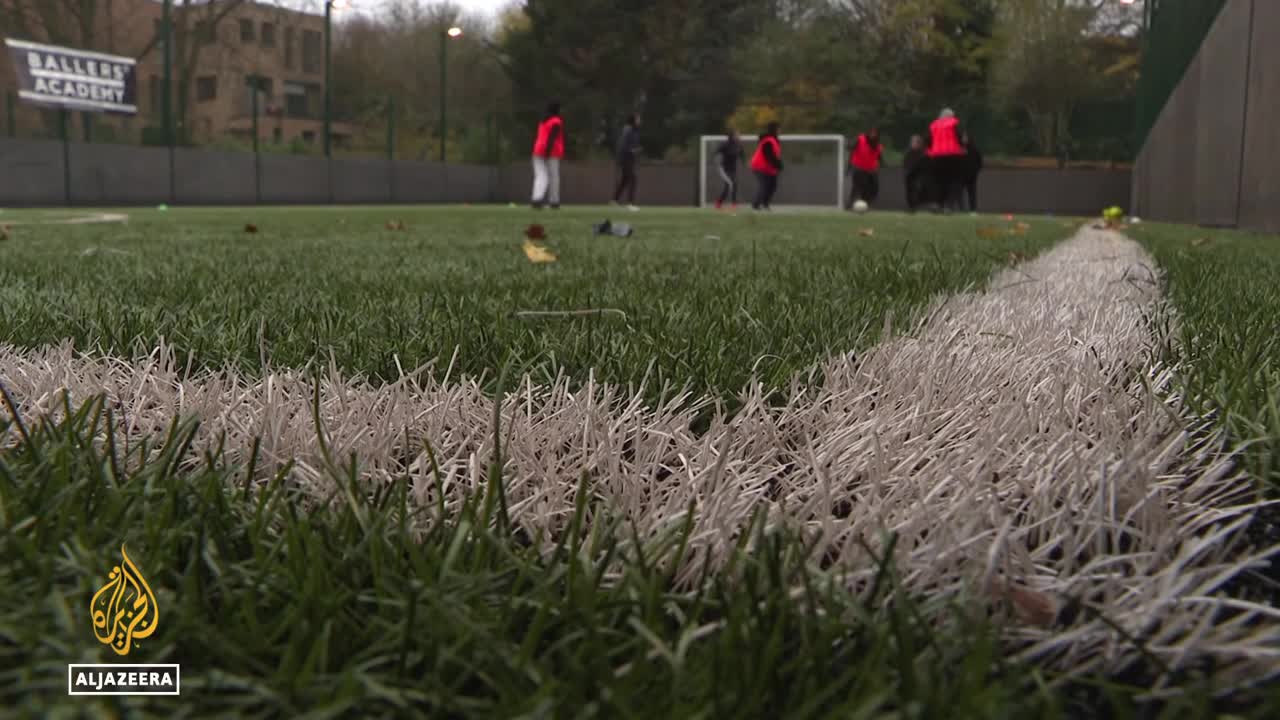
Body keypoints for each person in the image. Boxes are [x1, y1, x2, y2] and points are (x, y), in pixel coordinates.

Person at [925, 108, 966, 213]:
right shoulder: (954, 123)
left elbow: (928, 140)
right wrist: (962, 147)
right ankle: (949, 205)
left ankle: (937, 203)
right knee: (953, 181)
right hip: (952, 155)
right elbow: (959, 137)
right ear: (951, 116)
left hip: (937, 156)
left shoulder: (934, 125)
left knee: (938, 181)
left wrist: (930, 150)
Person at [531, 101, 564, 210]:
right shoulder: (556, 121)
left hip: (537, 150)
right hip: (551, 152)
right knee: (553, 177)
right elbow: (551, 138)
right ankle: (554, 201)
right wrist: (547, 152)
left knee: (540, 175)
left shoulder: (543, 120)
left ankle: (536, 198)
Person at [847, 127, 883, 210]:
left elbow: (879, 157)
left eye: (875, 133)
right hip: (858, 167)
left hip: (871, 169)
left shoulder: (878, 145)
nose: (873, 135)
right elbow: (852, 147)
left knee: (874, 188)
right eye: (871, 133)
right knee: (858, 187)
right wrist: (850, 145)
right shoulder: (860, 139)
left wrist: (883, 164)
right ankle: (850, 204)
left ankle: (865, 203)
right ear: (868, 133)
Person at [750, 122, 783, 211]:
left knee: (772, 185)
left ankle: (765, 203)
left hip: (769, 167)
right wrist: (777, 164)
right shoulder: (768, 140)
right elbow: (769, 155)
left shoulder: (775, 140)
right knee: (764, 185)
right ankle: (756, 205)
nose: (780, 131)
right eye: (779, 129)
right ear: (774, 130)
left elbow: (775, 155)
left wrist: (778, 164)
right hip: (759, 166)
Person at [612, 113, 641, 211]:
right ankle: (630, 204)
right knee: (633, 179)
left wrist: (635, 150)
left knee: (625, 180)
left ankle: (614, 200)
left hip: (629, 158)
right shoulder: (628, 130)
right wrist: (631, 150)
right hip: (625, 158)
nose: (639, 121)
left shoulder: (634, 130)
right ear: (633, 120)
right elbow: (623, 145)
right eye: (637, 119)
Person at [713, 129, 744, 210]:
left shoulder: (739, 145)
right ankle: (734, 204)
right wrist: (716, 159)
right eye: (737, 134)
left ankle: (719, 203)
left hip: (733, 169)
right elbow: (716, 152)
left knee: (730, 186)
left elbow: (741, 155)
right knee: (732, 184)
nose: (739, 136)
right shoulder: (725, 144)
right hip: (724, 169)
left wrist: (744, 162)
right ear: (732, 136)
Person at [960, 130, 983, 214]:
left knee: (972, 193)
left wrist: (975, 171)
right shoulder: (958, 148)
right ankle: (960, 209)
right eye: (963, 137)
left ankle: (973, 210)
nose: (964, 139)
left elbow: (979, 162)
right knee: (959, 193)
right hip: (960, 175)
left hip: (971, 176)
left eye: (966, 137)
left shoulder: (974, 149)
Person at [903, 134, 927, 213]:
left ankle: (914, 206)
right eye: (913, 142)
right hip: (910, 174)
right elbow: (906, 164)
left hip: (919, 175)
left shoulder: (923, 153)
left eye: (916, 142)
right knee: (909, 191)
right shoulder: (908, 153)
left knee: (916, 190)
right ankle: (911, 208)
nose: (914, 144)